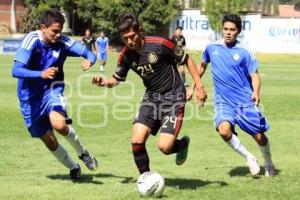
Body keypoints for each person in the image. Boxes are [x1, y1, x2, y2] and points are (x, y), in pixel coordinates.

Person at [92, 13, 207, 175]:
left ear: (140, 31)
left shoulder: (160, 44)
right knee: (136, 141)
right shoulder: (126, 55)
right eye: (125, 38)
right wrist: (103, 82)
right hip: (151, 98)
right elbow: (117, 79)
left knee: (165, 147)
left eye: (132, 36)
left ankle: (182, 145)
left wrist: (199, 86)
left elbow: (187, 59)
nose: (129, 41)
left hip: (174, 97)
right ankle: (146, 179)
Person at [12, 9, 98, 180]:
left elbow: (89, 53)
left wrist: (90, 60)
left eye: (60, 30)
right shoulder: (32, 41)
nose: (59, 35)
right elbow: (16, 70)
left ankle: (83, 153)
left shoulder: (64, 42)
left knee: (59, 124)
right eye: (55, 31)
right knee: (49, 140)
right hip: (28, 98)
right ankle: (74, 167)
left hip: (52, 90)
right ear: (43, 27)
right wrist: (41, 74)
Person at [188, 14, 276, 177]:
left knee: (259, 136)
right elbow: (201, 66)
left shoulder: (244, 51)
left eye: (232, 30)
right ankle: (249, 157)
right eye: (226, 29)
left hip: (244, 101)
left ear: (239, 31)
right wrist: (193, 87)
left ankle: (268, 161)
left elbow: (255, 75)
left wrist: (256, 92)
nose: (228, 32)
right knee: (224, 130)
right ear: (222, 29)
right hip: (223, 102)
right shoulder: (211, 48)